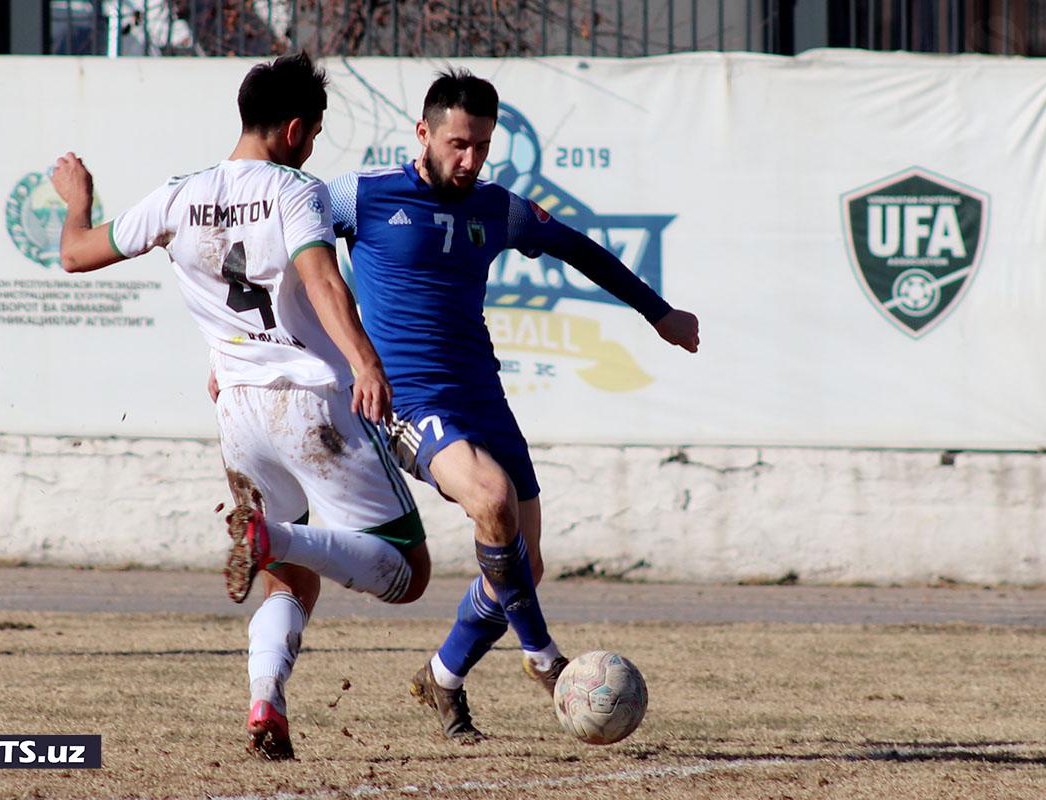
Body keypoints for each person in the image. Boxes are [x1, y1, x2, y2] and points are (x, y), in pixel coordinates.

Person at [48, 53, 431, 761]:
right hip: (314, 404)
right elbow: (322, 282)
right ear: (293, 130)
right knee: (407, 573)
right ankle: (273, 539)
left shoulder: (177, 195)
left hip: (239, 415)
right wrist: (366, 364)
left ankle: (265, 702)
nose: (312, 147)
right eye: (313, 133)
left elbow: (74, 254)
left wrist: (78, 198)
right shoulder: (295, 188)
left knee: (291, 581)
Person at [326, 69, 700, 742]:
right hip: (410, 401)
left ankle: (441, 679)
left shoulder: (497, 208)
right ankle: (545, 659)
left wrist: (659, 312)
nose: (469, 160)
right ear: (423, 134)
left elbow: (579, 249)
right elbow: (292, 249)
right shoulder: (362, 195)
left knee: (523, 565)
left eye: (482, 145)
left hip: (483, 394)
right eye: (457, 144)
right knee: (492, 503)